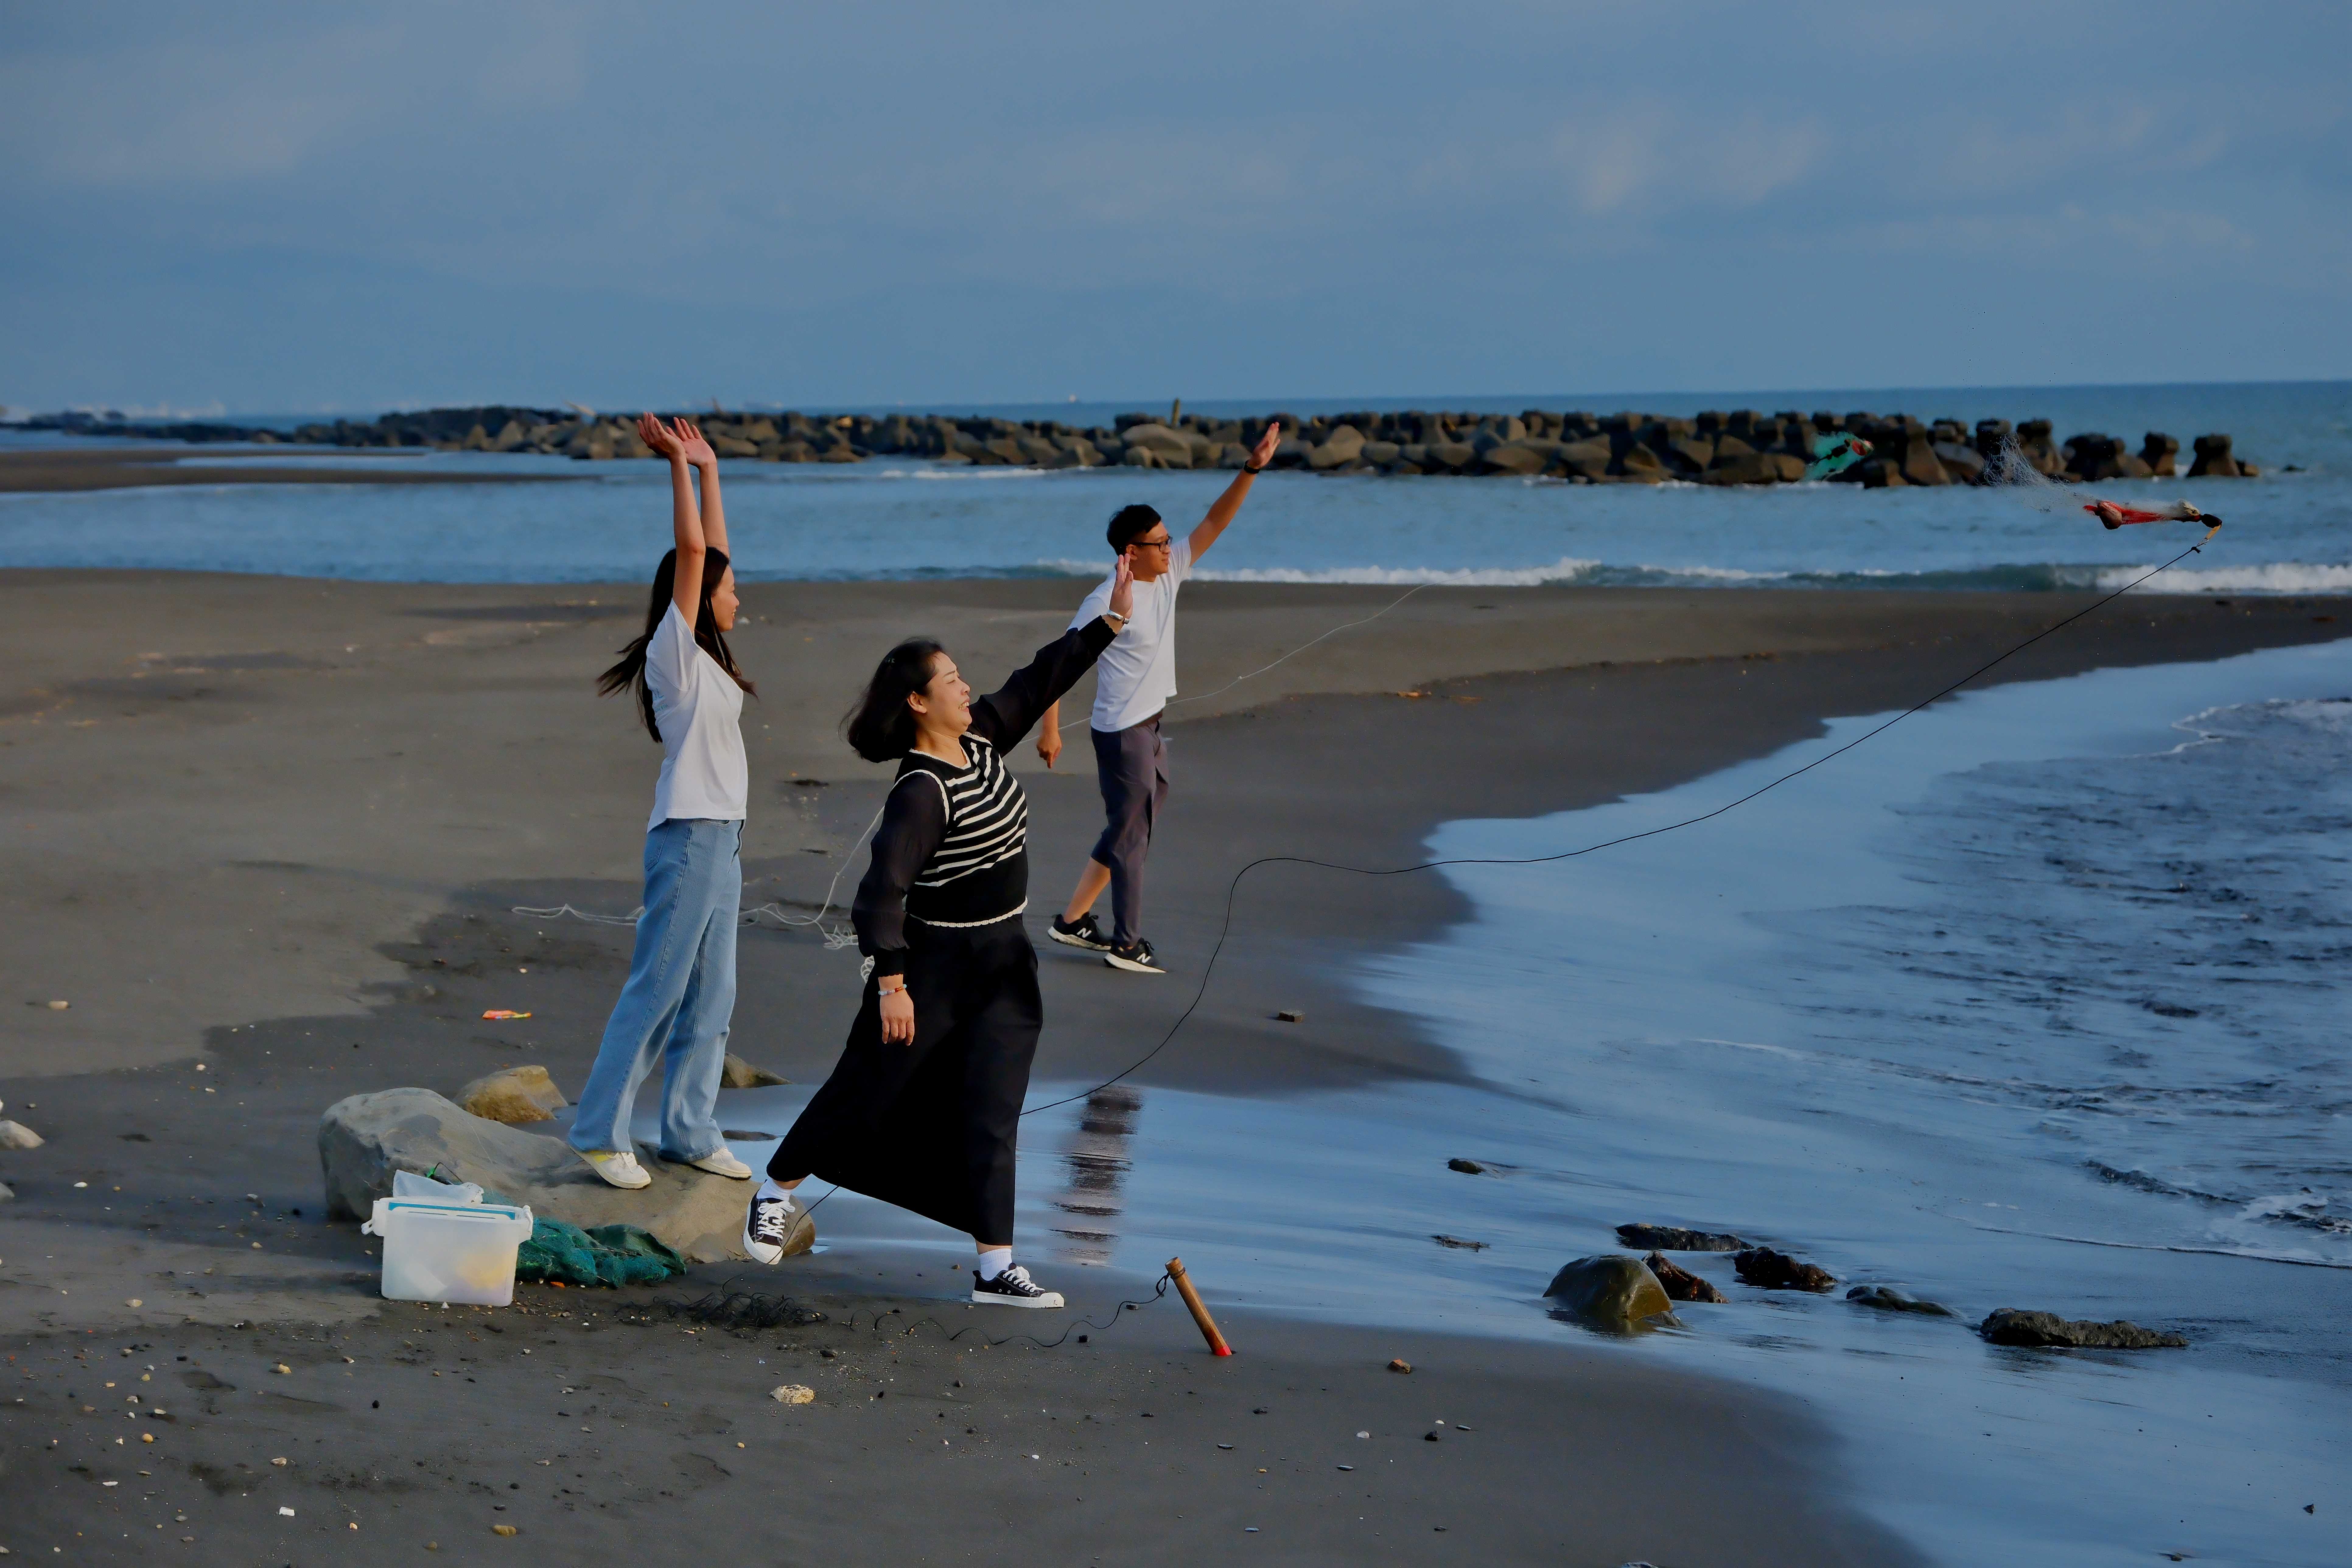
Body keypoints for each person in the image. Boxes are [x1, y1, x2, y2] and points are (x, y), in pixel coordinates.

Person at [744, 558, 1136, 1306]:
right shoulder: (921, 791)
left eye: (962, 675)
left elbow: (1036, 680)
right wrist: (892, 982)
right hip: (931, 969)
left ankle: (995, 1268)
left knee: (993, 1110)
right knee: (868, 1088)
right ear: (919, 702)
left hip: (1004, 961)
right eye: (950, 678)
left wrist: (1108, 622)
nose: (966, 685)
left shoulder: (983, 737)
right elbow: (879, 894)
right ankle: (773, 1192)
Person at [566, 415, 759, 1190]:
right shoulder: (673, 654)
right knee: (659, 987)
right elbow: (695, 555)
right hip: (687, 837)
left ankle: (687, 1129)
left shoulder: (711, 657)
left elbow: (712, 554)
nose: (739, 596)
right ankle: (598, 1129)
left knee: (714, 994)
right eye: (731, 590)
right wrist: (676, 467)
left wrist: (713, 472)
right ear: (699, 600)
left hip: (726, 838)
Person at [1037, 420, 1284, 974]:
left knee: (1132, 827)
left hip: (1149, 727)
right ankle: (1128, 944)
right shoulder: (1106, 599)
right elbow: (1058, 665)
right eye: (1160, 542)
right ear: (1132, 550)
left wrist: (1252, 470)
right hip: (1121, 734)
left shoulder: (1168, 574)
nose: (1171, 547)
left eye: (1169, 539)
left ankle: (1073, 920)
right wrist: (1049, 729)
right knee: (1131, 839)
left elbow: (1216, 521)